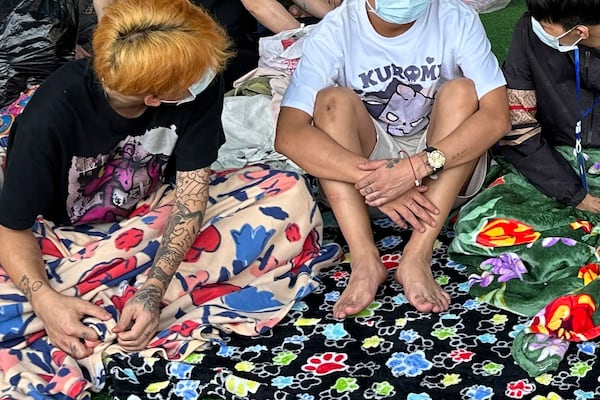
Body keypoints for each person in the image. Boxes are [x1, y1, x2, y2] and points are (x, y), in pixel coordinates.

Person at [0, 0, 341, 397]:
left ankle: (114, 300)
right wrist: (44, 300)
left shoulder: (200, 84)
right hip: (61, 236)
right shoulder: (50, 116)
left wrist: (152, 290)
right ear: (154, 99)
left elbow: (190, 198)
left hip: (151, 216)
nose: (209, 77)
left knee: (288, 191)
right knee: (17, 302)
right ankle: (90, 302)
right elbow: (12, 227)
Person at [275, 0, 510, 318]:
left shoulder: (457, 17)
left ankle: (417, 254)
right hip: (368, 182)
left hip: (440, 172)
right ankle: (364, 259)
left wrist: (415, 167)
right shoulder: (335, 30)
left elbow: (497, 118)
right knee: (331, 101)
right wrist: (374, 180)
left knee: (464, 91)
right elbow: (289, 135)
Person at [498, 0, 600, 209]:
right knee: (475, 233)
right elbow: (519, 126)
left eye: (545, 26)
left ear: (581, 32)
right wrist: (573, 195)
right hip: (548, 160)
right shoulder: (530, 29)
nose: (537, 26)